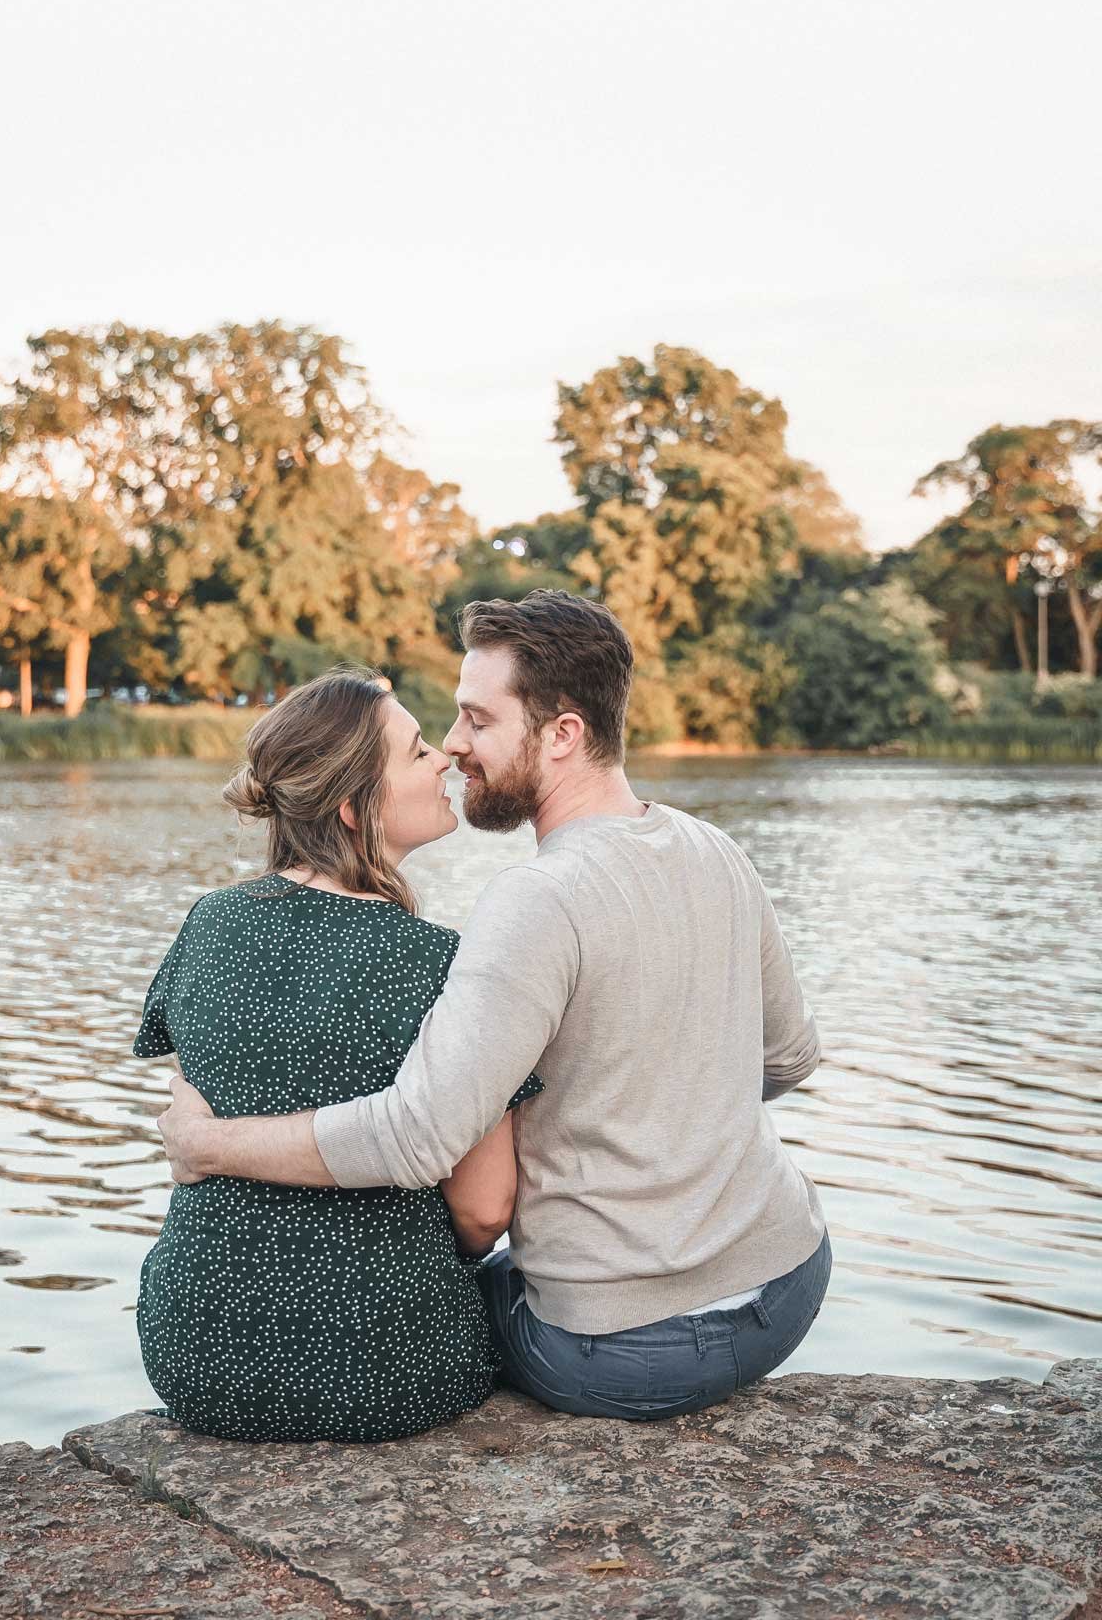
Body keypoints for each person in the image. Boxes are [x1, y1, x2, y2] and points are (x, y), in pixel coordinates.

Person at [160, 590, 831, 1422]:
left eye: (477, 720)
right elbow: (790, 1057)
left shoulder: (536, 899)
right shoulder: (713, 847)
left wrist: (208, 1144)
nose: (453, 745)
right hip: (791, 1278)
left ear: (562, 734)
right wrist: (666, 1115)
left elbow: (416, 1137)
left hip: (627, 1348)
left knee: (439, 1299)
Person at [133, 668, 541, 1443]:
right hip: (387, 1369)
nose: (444, 762)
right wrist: (395, 1261)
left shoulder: (208, 924)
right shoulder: (444, 964)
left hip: (196, 1356)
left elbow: (193, 1113)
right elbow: (485, 1210)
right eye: (418, 752)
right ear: (355, 808)